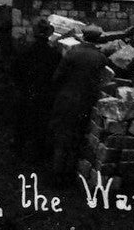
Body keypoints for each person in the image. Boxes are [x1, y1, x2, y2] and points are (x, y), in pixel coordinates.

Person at [50, 25, 111, 181]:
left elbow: (57, 77)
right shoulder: (101, 58)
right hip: (84, 103)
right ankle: (69, 175)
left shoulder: (72, 53)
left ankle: (56, 175)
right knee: (75, 138)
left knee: (61, 138)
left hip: (65, 99)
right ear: (97, 40)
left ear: (83, 37)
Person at [11, 20, 61, 164]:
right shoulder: (54, 54)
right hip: (44, 94)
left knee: (22, 121)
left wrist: (21, 86)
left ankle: (19, 150)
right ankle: (38, 155)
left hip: (26, 91)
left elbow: (15, 71)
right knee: (41, 123)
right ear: (48, 34)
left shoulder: (25, 50)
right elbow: (56, 76)